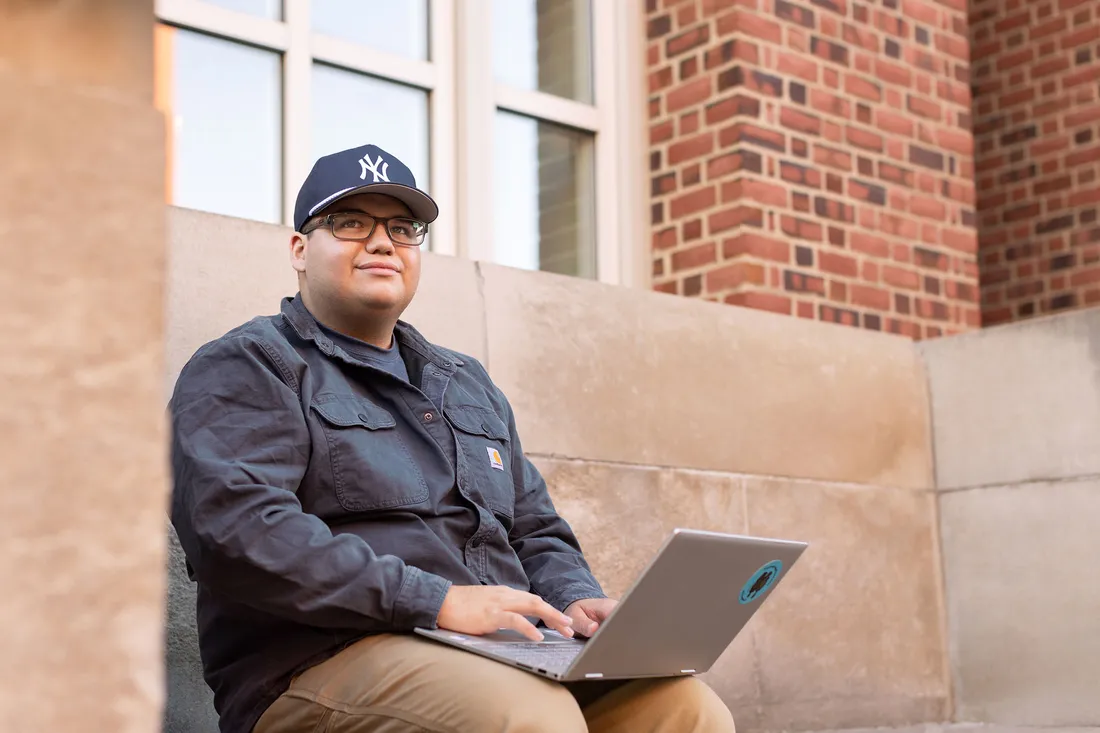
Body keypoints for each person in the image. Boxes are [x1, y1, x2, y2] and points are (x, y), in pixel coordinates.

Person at [169, 143, 736, 733]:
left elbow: (534, 528)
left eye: (402, 227)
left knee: (686, 711)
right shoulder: (250, 365)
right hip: (317, 662)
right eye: (350, 222)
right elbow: (237, 532)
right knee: (527, 718)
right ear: (299, 249)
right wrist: (435, 600)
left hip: (507, 652)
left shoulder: (464, 383)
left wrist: (573, 600)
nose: (383, 242)